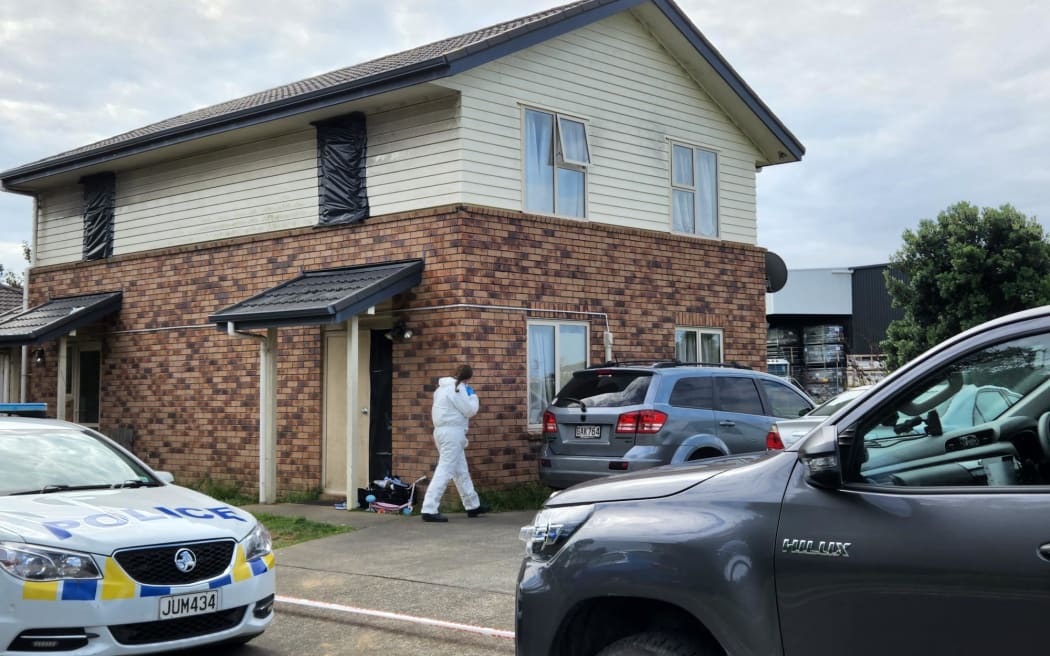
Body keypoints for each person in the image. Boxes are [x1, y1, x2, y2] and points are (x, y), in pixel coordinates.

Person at [420, 364, 490, 522]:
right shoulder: (459, 389)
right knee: (445, 470)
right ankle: (429, 508)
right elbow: (470, 411)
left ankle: (473, 505)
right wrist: (473, 396)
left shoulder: (441, 389)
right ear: (467, 378)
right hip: (453, 433)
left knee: (460, 471)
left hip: (441, 432)